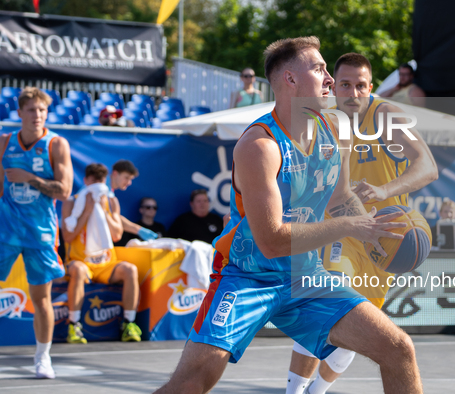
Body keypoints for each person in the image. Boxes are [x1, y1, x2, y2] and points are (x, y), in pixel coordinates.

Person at [155, 36, 423, 394]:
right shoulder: (259, 146)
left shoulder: (336, 131)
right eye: (319, 68)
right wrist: (350, 226)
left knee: (398, 349)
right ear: (290, 80)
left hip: (306, 277)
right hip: (247, 277)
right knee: (191, 383)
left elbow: (341, 198)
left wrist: (373, 230)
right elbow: (271, 241)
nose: (330, 78)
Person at [286, 53, 438, 394]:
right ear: (333, 86)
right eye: (345, 84)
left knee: (357, 329)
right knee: (330, 306)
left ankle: (316, 390)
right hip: (343, 230)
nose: (353, 93)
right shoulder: (320, 121)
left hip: (387, 236)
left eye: (361, 86)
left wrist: (384, 189)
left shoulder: (385, 115)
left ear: (371, 88)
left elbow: (428, 166)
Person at [0, 87, 73, 379]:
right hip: (6, 230)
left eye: (42, 110)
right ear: (19, 113)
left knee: (42, 299)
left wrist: (29, 178)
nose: (37, 116)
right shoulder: (5, 143)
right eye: (31, 110)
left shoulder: (56, 144)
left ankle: (43, 357)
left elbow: (65, 190)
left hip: (40, 233)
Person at [61, 163, 142, 344]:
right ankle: (74, 325)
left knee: (130, 270)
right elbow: (67, 236)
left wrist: (102, 211)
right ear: (85, 181)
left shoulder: (111, 201)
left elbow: (117, 235)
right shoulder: (72, 202)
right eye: (93, 181)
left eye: (100, 181)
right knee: (79, 271)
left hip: (106, 264)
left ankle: (129, 323)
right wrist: (88, 210)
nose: (97, 186)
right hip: (81, 261)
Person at [109, 159, 159, 246]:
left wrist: (138, 229)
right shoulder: (102, 191)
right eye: (126, 178)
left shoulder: (108, 191)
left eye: (130, 179)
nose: (129, 183)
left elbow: (111, 216)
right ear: (115, 173)